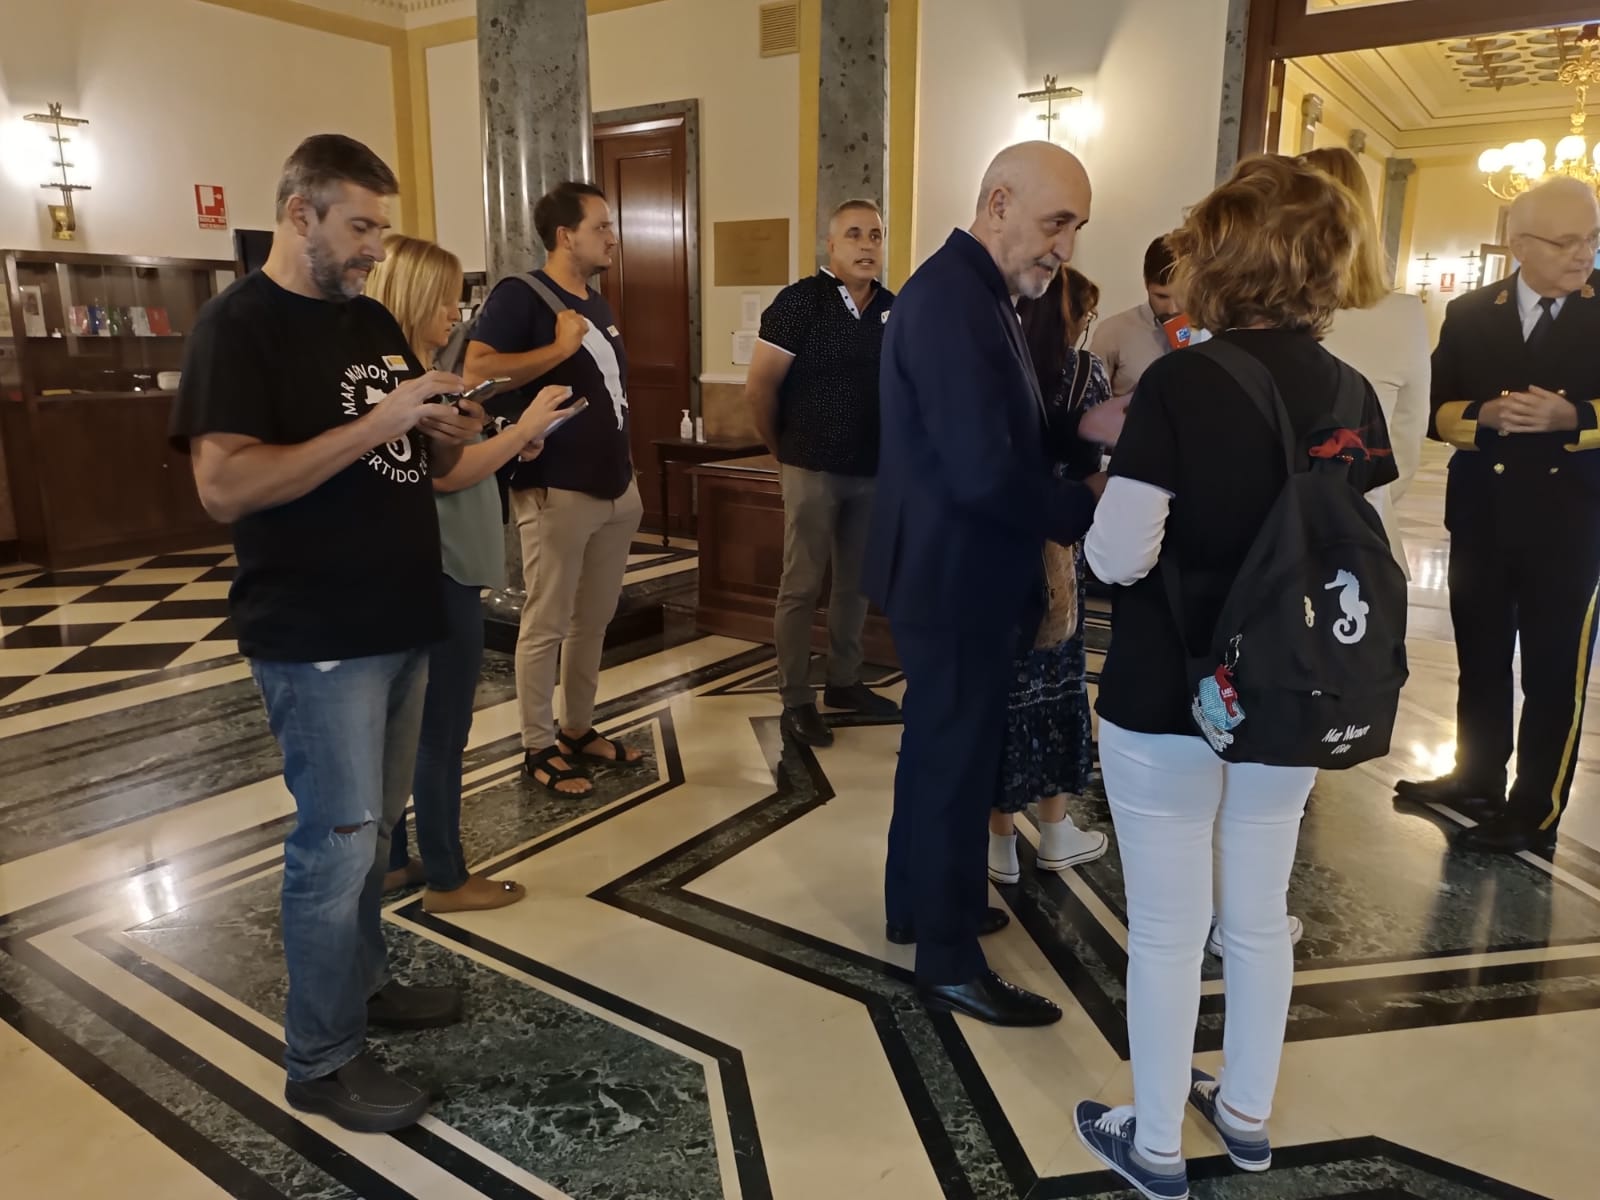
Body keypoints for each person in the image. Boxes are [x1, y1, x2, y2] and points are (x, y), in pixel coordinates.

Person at [1075, 155, 1395, 1198]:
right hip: (1292, 688)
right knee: (1258, 911)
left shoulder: (1182, 381)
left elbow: (1120, 553)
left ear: (1225, 255)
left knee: (1167, 927)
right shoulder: (1351, 390)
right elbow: (1361, 545)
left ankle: (1155, 1141)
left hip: (1169, 687)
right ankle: (1247, 1113)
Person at [171, 134, 488, 1133]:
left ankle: (365, 988)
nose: (370, 247)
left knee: (371, 834)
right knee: (335, 843)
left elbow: (404, 442)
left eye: (378, 228)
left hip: (397, 617)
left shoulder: (369, 319)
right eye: (358, 227)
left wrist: (443, 423)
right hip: (317, 632)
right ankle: (319, 1059)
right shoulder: (238, 328)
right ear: (299, 214)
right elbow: (224, 487)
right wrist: (380, 421)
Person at [866, 141, 1102, 1027]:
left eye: (1075, 227)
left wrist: (1080, 430)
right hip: (955, 572)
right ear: (998, 201)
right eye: (1056, 222)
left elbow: (1010, 430)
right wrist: (1088, 500)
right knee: (957, 762)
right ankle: (949, 961)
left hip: (945, 566)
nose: (1065, 247)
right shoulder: (953, 301)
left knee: (935, 749)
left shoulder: (975, 289)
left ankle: (923, 907)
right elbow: (979, 474)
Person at [1394, 175, 1600, 854]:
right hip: (1483, 514)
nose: (1584, 254)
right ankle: (1476, 777)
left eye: (1593, 238)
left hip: (1572, 523)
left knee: (1551, 674)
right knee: (1480, 658)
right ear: (1519, 244)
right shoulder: (1473, 311)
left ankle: (1535, 808)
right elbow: (1433, 406)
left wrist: (1577, 417)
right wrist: (1482, 416)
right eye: (1567, 241)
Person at [365, 233, 569, 911]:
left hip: (436, 566)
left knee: (409, 732)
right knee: (442, 732)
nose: (456, 313)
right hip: (441, 570)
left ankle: (395, 862)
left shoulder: (406, 374)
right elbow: (448, 480)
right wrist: (522, 427)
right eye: (445, 300)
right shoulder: (404, 381)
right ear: (414, 297)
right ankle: (449, 878)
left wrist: (504, 440)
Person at [465, 181, 646, 799]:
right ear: (566, 235)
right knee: (545, 622)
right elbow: (477, 369)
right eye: (601, 226)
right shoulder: (522, 295)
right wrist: (557, 348)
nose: (612, 237)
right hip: (556, 489)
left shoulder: (597, 302)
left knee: (592, 621)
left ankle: (576, 729)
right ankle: (537, 745)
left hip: (616, 487)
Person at [746, 199, 900, 748]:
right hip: (810, 466)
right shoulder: (799, 302)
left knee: (856, 584)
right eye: (854, 235)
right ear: (831, 247)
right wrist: (782, 449)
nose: (867, 245)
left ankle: (844, 680)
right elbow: (760, 388)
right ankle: (795, 697)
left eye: (876, 235)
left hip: (871, 471)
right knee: (802, 583)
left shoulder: (894, 308)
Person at [990, 266, 1118, 884]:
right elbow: (1093, 458)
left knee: (1006, 693)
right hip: (1061, 546)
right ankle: (1057, 829)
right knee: (1060, 685)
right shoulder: (1085, 371)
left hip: (1003, 541)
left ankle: (998, 841)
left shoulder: (1002, 360)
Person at [1308, 146, 1430, 576]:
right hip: (1365, 537)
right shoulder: (1404, 314)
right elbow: (1405, 451)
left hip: (1264, 548)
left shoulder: (1256, 315)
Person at [1090, 235, 1182, 398]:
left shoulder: (1209, 328)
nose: (1173, 308)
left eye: (1182, 295)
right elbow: (1093, 404)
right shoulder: (1112, 332)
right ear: (1146, 283)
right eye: (1161, 296)